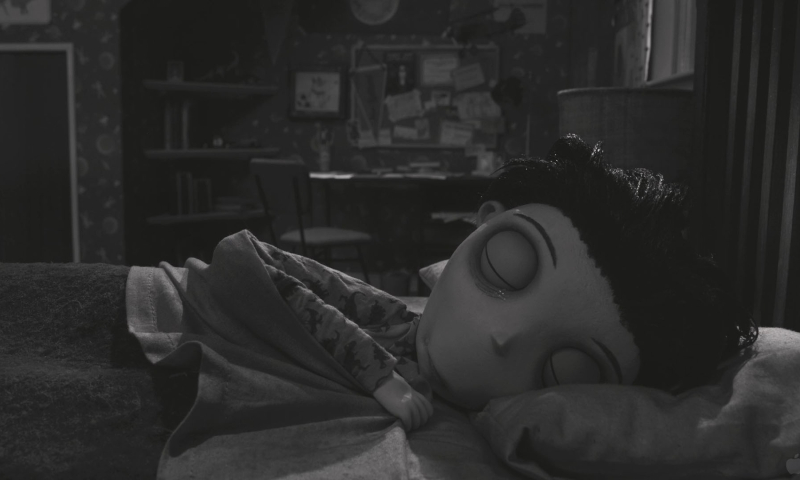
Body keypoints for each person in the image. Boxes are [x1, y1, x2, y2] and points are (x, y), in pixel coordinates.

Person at [258, 134, 758, 430]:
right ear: (485, 220)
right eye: (503, 267)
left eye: (565, 371)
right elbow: (257, 264)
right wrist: (378, 375)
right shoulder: (386, 316)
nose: (503, 337)